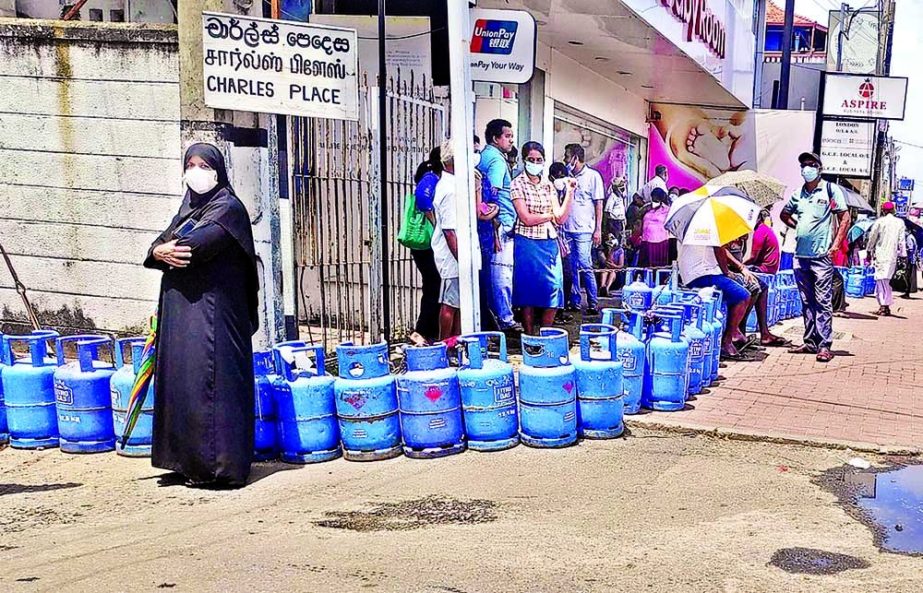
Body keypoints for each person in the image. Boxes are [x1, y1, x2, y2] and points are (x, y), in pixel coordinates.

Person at [144, 143, 259, 488]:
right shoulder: (189, 209)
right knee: (183, 383)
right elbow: (156, 249)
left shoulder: (227, 208)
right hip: (183, 315)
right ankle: (183, 461)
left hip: (215, 315)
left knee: (213, 386)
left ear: (218, 170)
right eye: (190, 164)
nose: (196, 171)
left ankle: (218, 469)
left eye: (203, 165)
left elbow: (192, 247)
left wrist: (164, 250)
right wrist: (158, 251)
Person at [780, 152, 850, 362]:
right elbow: (785, 214)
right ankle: (810, 342)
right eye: (804, 165)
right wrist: (798, 227)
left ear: (819, 168)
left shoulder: (830, 190)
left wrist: (836, 244)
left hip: (821, 256)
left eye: (812, 164)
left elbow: (844, 217)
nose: (807, 168)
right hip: (800, 255)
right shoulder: (798, 194)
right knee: (806, 301)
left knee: (822, 301)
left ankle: (824, 344)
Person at [511, 141, 574, 335]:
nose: (535, 163)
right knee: (528, 291)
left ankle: (546, 334)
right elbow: (526, 219)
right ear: (524, 160)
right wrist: (549, 216)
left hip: (549, 242)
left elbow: (561, 217)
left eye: (539, 160)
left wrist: (570, 192)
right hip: (527, 242)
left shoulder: (548, 185)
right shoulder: (517, 184)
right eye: (531, 159)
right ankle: (529, 336)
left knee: (554, 288)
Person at [477, 119, 522, 332]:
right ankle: (505, 319)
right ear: (496, 138)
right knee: (502, 274)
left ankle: (495, 317)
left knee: (492, 273)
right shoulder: (496, 161)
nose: (511, 140)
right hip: (501, 224)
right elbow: (492, 193)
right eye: (508, 136)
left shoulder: (485, 156)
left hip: (493, 224)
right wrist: (496, 220)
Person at [677, 241, 751, 359]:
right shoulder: (711, 228)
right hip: (703, 275)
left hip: (689, 274)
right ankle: (727, 342)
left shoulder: (693, 230)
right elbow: (719, 249)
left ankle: (732, 333)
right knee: (743, 296)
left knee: (733, 291)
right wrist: (727, 272)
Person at [562, 143, 605, 316]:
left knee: (585, 265)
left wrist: (598, 230)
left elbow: (599, 204)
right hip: (567, 228)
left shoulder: (593, 176)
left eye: (567, 156)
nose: (565, 159)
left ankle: (593, 302)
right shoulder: (567, 177)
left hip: (585, 229)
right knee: (571, 267)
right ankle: (575, 301)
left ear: (575, 158)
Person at [408, 148, 443, 343]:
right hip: (428, 244)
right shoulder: (431, 176)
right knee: (434, 286)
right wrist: (435, 223)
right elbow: (422, 198)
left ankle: (427, 331)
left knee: (433, 286)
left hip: (424, 245)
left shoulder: (428, 174)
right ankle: (423, 331)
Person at [430, 140, 462, 340]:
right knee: (450, 303)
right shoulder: (450, 190)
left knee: (458, 303)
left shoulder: (454, 185)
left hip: (456, 253)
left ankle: (456, 342)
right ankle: (445, 343)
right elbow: (449, 231)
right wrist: (461, 258)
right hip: (452, 256)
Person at [866, 201, 906, 316]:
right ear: (893, 210)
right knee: (886, 281)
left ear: (883, 211)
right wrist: (903, 256)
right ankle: (885, 305)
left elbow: (872, 237)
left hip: (881, 256)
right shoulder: (900, 223)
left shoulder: (880, 222)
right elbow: (901, 241)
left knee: (881, 281)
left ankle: (883, 306)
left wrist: (869, 250)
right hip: (892, 256)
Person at [549, 162, 573, 322]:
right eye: (558, 177)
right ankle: (554, 312)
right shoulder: (548, 192)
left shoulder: (564, 192)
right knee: (557, 278)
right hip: (551, 240)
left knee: (568, 276)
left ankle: (560, 309)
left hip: (563, 241)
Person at [639, 187, 671, 268]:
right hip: (646, 241)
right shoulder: (648, 207)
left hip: (659, 242)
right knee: (645, 265)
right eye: (653, 198)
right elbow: (639, 217)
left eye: (656, 199)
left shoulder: (667, 210)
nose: (654, 200)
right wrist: (645, 209)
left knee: (656, 266)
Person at [903, 229, 918, 298]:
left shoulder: (909, 238)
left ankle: (907, 292)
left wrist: (904, 250)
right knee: (909, 276)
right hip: (913, 259)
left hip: (910, 259)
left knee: (907, 276)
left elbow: (910, 249)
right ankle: (907, 291)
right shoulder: (913, 237)